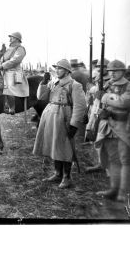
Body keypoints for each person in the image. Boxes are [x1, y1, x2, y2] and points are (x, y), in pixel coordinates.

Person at [33, 59, 87, 189]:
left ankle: (66, 177)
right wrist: (44, 82)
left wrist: (74, 124)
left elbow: (80, 106)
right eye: (56, 68)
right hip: (50, 116)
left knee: (65, 146)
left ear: (67, 71)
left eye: (60, 68)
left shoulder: (74, 85)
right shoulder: (53, 83)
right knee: (54, 144)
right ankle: (57, 173)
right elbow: (40, 97)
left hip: (64, 116)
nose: (57, 70)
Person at [94, 60, 130, 203]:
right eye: (110, 71)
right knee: (113, 159)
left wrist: (104, 97)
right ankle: (114, 189)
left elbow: (123, 102)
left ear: (123, 71)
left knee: (125, 160)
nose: (112, 73)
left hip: (124, 127)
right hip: (109, 126)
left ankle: (123, 192)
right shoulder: (109, 84)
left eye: (116, 71)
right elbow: (104, 101)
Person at [0, 31, 28, 114]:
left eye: (11, 37)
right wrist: (1, 51)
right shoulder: (8, 49)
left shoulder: (20, 48)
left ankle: (12, 107)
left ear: (17, 39)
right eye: (10, 37)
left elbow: (15, 60)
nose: (10, 39)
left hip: (14, 71)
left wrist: (3, 66)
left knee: (9, 86)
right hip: (3, 70)